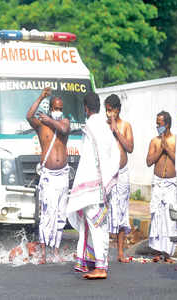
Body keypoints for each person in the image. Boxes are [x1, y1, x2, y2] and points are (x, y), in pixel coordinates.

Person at [67, 92, 120, 279]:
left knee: (96, 225)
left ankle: (100, 267)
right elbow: (114, 155)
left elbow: (89, 158)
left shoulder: (90, 127)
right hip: (103, 184)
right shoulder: (105, 127)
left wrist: (83, 183)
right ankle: (87, 261)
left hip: (93, 186)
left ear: (86, 108)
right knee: (92, 224)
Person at [26, 87, 71, 264]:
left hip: (63, 175)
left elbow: (64, 129)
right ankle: (44, 252)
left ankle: (56, 250)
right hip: (49, 176)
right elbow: (29, 116)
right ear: (51, 107)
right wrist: (41, 97)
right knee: (47, 213)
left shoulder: (64, 122)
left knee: (61, 214)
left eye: (60, 108)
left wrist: (50, 120)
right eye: (56, 108)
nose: (58, 111)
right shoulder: (41, 126)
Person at [104, 94, 134, 263]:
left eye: (110, 110)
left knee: (122, 211)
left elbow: (130, 148)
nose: (108, 114)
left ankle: (121, 253)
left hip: (122, 173)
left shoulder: (125, 126)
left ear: (117, 110)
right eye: (106, 111)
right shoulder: (103, 126)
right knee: (107, 211)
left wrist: (116, 131)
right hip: (108, 174)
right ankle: (104, 252)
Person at [146, 111, 177, 263]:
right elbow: (149, 161)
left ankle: (168, 252)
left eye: (160, 124)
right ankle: (157, 250)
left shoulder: (176, 140)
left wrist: (168, 148)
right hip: (158, 182)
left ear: (167, 124)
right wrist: (161, 149)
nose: (157, 126)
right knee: (156, 216)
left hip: (171, 183)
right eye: (157, 123)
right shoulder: (154, 141)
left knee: (169, 218)